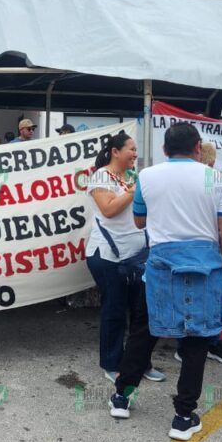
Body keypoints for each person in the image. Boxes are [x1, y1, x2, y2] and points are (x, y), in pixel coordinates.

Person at [108, 122, 222, 442]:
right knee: (197, 339)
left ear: (165, 150)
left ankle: (122, 398)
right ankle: (183, 417)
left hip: (161, 265)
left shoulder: (148, 176)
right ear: (198, 149)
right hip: (204, 268)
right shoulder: (214, 178)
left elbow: (140, 220)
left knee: (145, 329)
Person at [85, 132, 165, 385]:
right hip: (108, 257)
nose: (135, 153)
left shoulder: (132, 176)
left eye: (135, 149)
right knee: (115, 311)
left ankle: (139, 363)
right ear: (115, 152)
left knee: (142, 312)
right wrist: (133, 191)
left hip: (137, 256)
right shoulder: (100, 176)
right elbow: (108, 210)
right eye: (131, 148)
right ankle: (112, 363)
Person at [173, 142, 222, 366]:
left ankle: (204, 344)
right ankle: (199, 345)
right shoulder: (209, 180)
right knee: (202, 299)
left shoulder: (208, 182)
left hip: (193, 250)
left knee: (195, 299)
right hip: (200, 250)